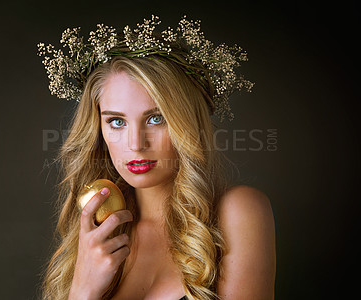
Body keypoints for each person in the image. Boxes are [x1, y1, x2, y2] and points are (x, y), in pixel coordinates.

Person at [38, 16, 276, 300]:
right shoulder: (98, 236)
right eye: (116, 122)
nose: (136, 144)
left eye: (156, 118)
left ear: (186, 123)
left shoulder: (237, 212)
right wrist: (81, 292)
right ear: (98, 130)